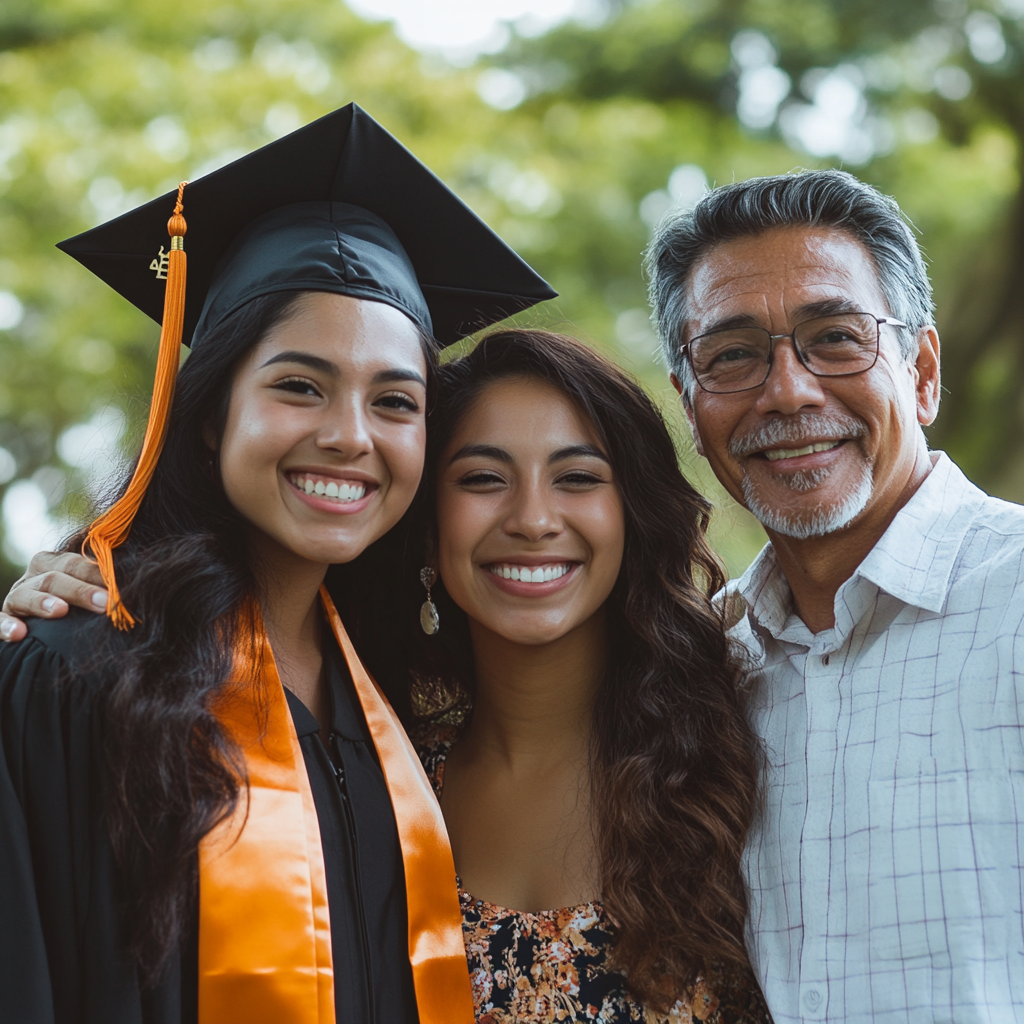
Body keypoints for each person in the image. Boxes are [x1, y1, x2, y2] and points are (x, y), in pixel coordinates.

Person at [0, 102, 554, 1024]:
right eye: (299, 386)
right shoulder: (80, 674)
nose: (349, 437)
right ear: (213, 410)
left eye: (396, 401)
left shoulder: (403, 691)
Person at [642, 169, 1024, 1022]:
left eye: (838, 337)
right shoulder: (700, 670)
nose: (789, 391)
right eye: (733, 354)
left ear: (922, 372)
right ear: (690, 405)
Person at [404, 328, 770, 1022]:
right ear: (428, 527)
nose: (534, 519)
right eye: (483, 478)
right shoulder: (385, 783)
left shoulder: (739, 753)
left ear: (631, 516)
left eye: (577, 478)